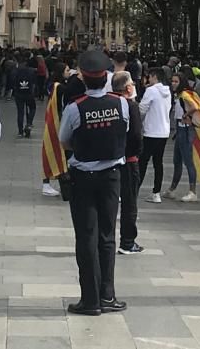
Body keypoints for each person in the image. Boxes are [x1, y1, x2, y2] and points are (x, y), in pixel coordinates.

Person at [58, 50, 129, 316]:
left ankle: (90, 300)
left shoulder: (75, 108)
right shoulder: (120, 103)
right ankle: (108, 295)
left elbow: (64, 140)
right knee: (108, 236)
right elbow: (124, 129)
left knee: (86, 237)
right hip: (112, 176)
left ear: (84, 78)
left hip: (83, 177)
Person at [112, 71, 144, 255]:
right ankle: (127, 241)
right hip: (129, 159)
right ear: (129, 87)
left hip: (109, 160)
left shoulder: (109, 104)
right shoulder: (131, 106)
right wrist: (136, 153)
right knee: (129, 202)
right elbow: (136, 135)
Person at [163, 73, 200, 202]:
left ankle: (192, 191)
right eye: (172, 81)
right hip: (180, 130)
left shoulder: (184, 95)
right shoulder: (179, 95)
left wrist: (186, 115)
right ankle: (172, 189)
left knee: (187, 161)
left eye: (176, 81)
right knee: (177, 160)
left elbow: (195, 107)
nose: (173, 83)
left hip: (185, 129)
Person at [139, 68, 171, 203]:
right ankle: (156, 192)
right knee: (158, 162)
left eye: (149, 77)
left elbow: (142, 109)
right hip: (163, 131)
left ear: (154, 77)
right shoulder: (167, 91)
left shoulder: (151, 91)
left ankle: (134, 189)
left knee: (143, 161)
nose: (148, 79)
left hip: (151, 130)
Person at [12, 55, 37, 138]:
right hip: (29, 94)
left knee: (20, 112)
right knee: (32, 108)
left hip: (19, 94)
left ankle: (20, 131)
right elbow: (34, 83)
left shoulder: (15, 71)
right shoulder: (31, 71)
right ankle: (29, 124)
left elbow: (13, 83)